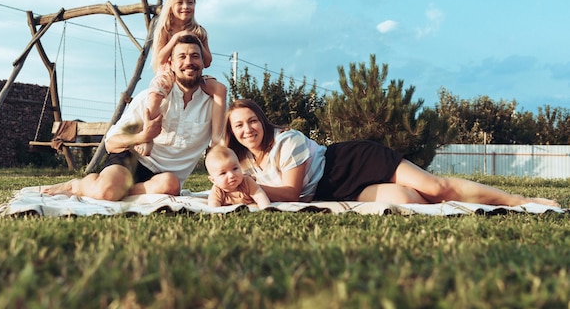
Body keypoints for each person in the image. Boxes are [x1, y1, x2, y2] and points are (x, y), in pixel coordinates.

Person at [223, 99, 560, 207]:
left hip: (350, 162)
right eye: (239, 126)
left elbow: (293, 194)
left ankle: (518, 201)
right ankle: (468, 203)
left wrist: (250, 191)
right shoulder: (246, 161)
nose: (247, 129)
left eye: (252, 121)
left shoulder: (288, 141)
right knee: (405, 199)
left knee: (436, 188)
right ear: (233, 133)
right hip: (334, 190)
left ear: (263, 121)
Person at [42, 33, 217, 201]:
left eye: (195, 56)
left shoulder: (213, 105)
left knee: (170, 186)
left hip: (165, 178)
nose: (189, 62)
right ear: (170, 63)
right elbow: (111, 143)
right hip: (131, 160)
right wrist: (143, 136)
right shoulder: (149, 98)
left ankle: (120, 192)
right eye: (182, 56)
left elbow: (226, 144)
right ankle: (77, 186)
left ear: (203, 62)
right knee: (105, 191)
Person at [138, 0, 226, 156]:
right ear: (171, 6)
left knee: (220, 89)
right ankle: (147, 135)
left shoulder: (199, 31)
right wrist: (176, 39)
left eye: (190, 2)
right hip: (169, 72)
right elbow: (159, 59)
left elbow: (207, 62)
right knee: (155, 92)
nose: (186, 6)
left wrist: (196, 41)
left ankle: (216, 137)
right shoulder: (165, 29)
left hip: (193, 73)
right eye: (180, 2)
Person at [205, 144, 271, 209]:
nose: (231, 175)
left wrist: (266, 208)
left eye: (235, 168)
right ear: (213, 180)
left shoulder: (247, 182)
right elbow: (213, 204)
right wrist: (216, 213)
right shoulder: (217, 190)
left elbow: (259, 195)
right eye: (223, 173)